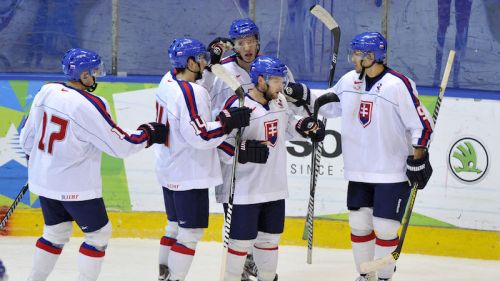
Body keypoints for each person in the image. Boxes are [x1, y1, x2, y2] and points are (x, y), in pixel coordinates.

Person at [285, 32, 434, 281]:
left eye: (357, 54)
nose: (353, 58)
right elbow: (328, 104)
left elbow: (422, 124)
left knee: (385, 227)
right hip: (358, 170)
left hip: (391, 171)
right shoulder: (349, 80)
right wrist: (299, 92)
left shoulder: (398, 85)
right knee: (359, 224)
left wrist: (418, 157)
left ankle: (384, 277)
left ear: (372, 56)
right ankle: (366, 275)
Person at [19, 48, 166, 281]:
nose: (97, 75)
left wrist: (38, 162)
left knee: (55, 233)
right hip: (76, 187)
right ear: (84, 75)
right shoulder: (90, 104)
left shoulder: (46, 91)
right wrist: (147, 133)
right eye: (94, 71)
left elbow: (26, 139)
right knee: (98, 236)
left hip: (44, 181)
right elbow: (121, 145)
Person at [216, 56, 325, 281]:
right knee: (239, 245)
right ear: (261, 80)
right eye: (277, 81)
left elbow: (286, 127)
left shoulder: (280, 101)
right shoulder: (237, 105)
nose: (282, 86)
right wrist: (242, 149)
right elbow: (217, 143)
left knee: (269, 242)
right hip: (244, 191)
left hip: (274, 188)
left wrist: (304, 126)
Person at [155, 38, 252, 281]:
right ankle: (174, 279)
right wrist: (227, 122)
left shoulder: (167, 80)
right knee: (190, 233)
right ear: (188, 62)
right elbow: (202, 135)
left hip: (170, 167)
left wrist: (210, 64)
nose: (204, 62)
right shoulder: (191, 92)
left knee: (174, 227)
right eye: (200, 59)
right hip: (189, 172)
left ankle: (164, 277)